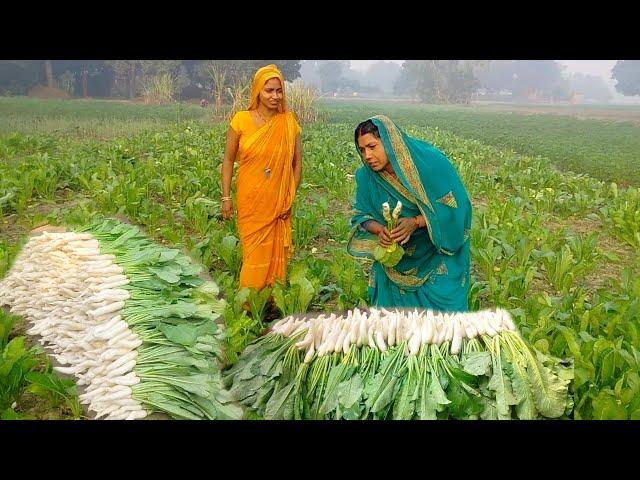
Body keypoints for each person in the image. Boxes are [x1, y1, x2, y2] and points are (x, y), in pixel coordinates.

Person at [347, 115, 472, 312]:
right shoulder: (366, 177)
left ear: (390, 142)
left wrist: (416, 222)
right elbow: (361, 216)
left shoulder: (430, 164)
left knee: (444, 326)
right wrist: (381, 230)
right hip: (396, 260)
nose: (367, 156)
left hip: (434, 253)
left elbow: (456, 207)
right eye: (362, 150)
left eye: (372, 146)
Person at [220, 64, 303, 292]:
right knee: (253, 255)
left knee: (276, 257)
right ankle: (249, 305)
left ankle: (273, 303)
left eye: (279, 91)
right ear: (257, 90)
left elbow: (297, 165)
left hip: (279, 204)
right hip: (251, 202)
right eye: (269, 91)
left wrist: (289, 197)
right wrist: (226, 197)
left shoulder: (289, 123)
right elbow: (228, 161)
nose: (275, 96)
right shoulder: (240, 120)